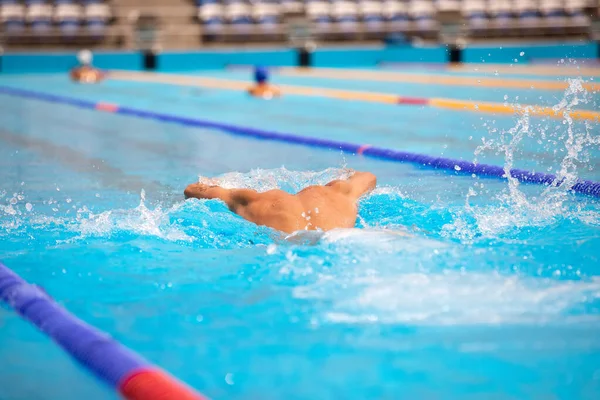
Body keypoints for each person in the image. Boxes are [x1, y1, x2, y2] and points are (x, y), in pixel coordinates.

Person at [184, 171, 377, 233]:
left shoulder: (260, 200)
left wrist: (211, 184)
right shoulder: (340, 195)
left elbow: (191, 190)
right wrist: (347, 175)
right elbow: (369, 177)